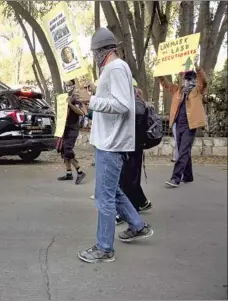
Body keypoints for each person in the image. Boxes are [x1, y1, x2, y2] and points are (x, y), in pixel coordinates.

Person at [77, 28, 153, 264]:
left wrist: (92, 100)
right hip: (108, 142)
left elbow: (122, 105)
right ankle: (138, 226)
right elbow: (113, 102)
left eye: (95, 52)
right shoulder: (113, 69)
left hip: (112, 144)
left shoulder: (116, 68)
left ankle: (104, 248)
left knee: (104, 196)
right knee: (112, 191)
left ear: (102, 51)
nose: (94, 56)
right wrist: (91, 99)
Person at [159, 62, 207, 188]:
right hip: (178, 125)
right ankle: (188, 176)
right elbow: (166, 84)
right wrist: (160, 75)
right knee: (183, 150)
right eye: (186, 79)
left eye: (190, 79)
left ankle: (176, 178)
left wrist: (198, 68)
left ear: (194, 80)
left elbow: (204, 82)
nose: (187, 82)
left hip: (190, 126)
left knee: (184, 151)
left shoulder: (197, 91)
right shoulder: (178, 90)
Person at [116, 87, 153, 225]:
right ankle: (141, 202)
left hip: (131, 147)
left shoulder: (136, 106)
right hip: (135, 147)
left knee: (127, 181)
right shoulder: (140, 105)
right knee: (132, 179)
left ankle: (127, 212)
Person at [56, 79, 87, 184]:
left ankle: (79, 171)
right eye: (66, 85)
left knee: (68, 150)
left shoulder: (75, 100)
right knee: (64, 150)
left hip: (73, 128)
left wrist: (70, 104)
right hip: (64, 128)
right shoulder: (65, 98)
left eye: (69, 85)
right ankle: (69, 173)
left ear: (73, 85)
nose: (67, 86)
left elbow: (81, 112)